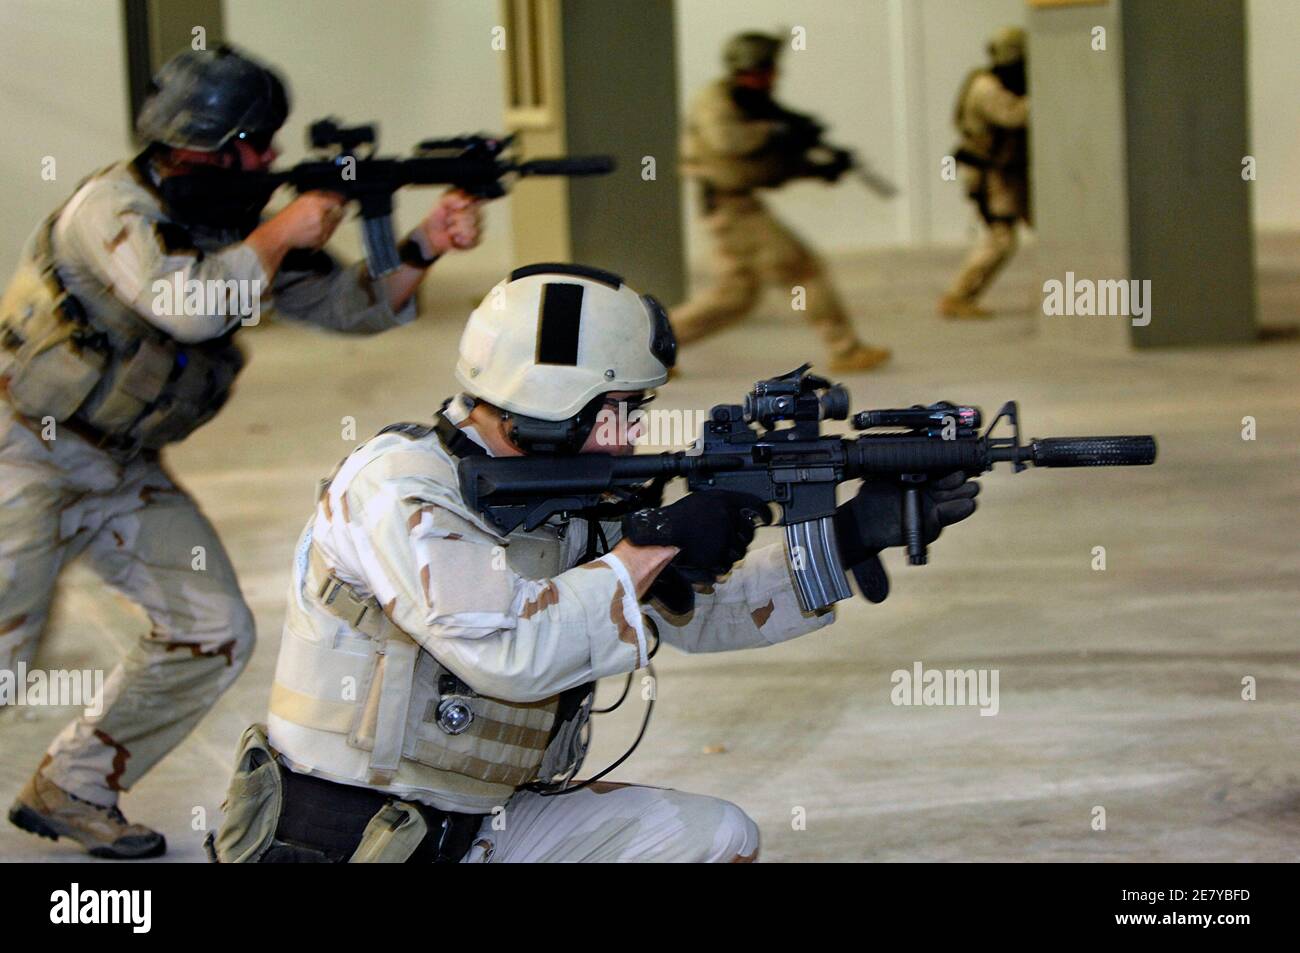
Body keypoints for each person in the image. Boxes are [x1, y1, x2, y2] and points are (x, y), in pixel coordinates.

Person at [208, 263, 979, 863]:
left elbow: (703, 618)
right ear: (549, 400)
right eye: (614, 410)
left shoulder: (571, 494)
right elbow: (508, 652)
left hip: (478, 828)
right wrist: (656, 547)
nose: (626, 435)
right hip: (346, 844)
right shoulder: (400, 486)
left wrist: (846, 538)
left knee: (714, 836)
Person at [0, 44, 482, 858]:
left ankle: (75, 782)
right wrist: (280, 229)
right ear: (212, 145)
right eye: (259, 145)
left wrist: (423, 246)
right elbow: (187, 305)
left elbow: (349, 307)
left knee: (212, 626)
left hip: (121, 468)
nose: (271, 161)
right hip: (23, 451)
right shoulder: (111, 207)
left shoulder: (231, 223)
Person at [671, 32, 891, 373]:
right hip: (732, 210)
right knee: (803, 270)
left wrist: (815, 167)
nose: (772, 77)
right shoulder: (716, 101)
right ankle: (845, 349)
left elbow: (764, 167)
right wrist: (779, 132)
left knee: (736, 297)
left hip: (733, 207)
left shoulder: (752, 103)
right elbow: (731, 143)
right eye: (765, 69)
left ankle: (654, 346)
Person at [939, 26, 1030, 319]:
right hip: (991, 175)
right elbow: (1014, 116)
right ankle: (959, 295)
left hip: (1009, 172)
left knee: (1059, 227)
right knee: (1001, 238)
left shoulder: (998, 82)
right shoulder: (986, 87)